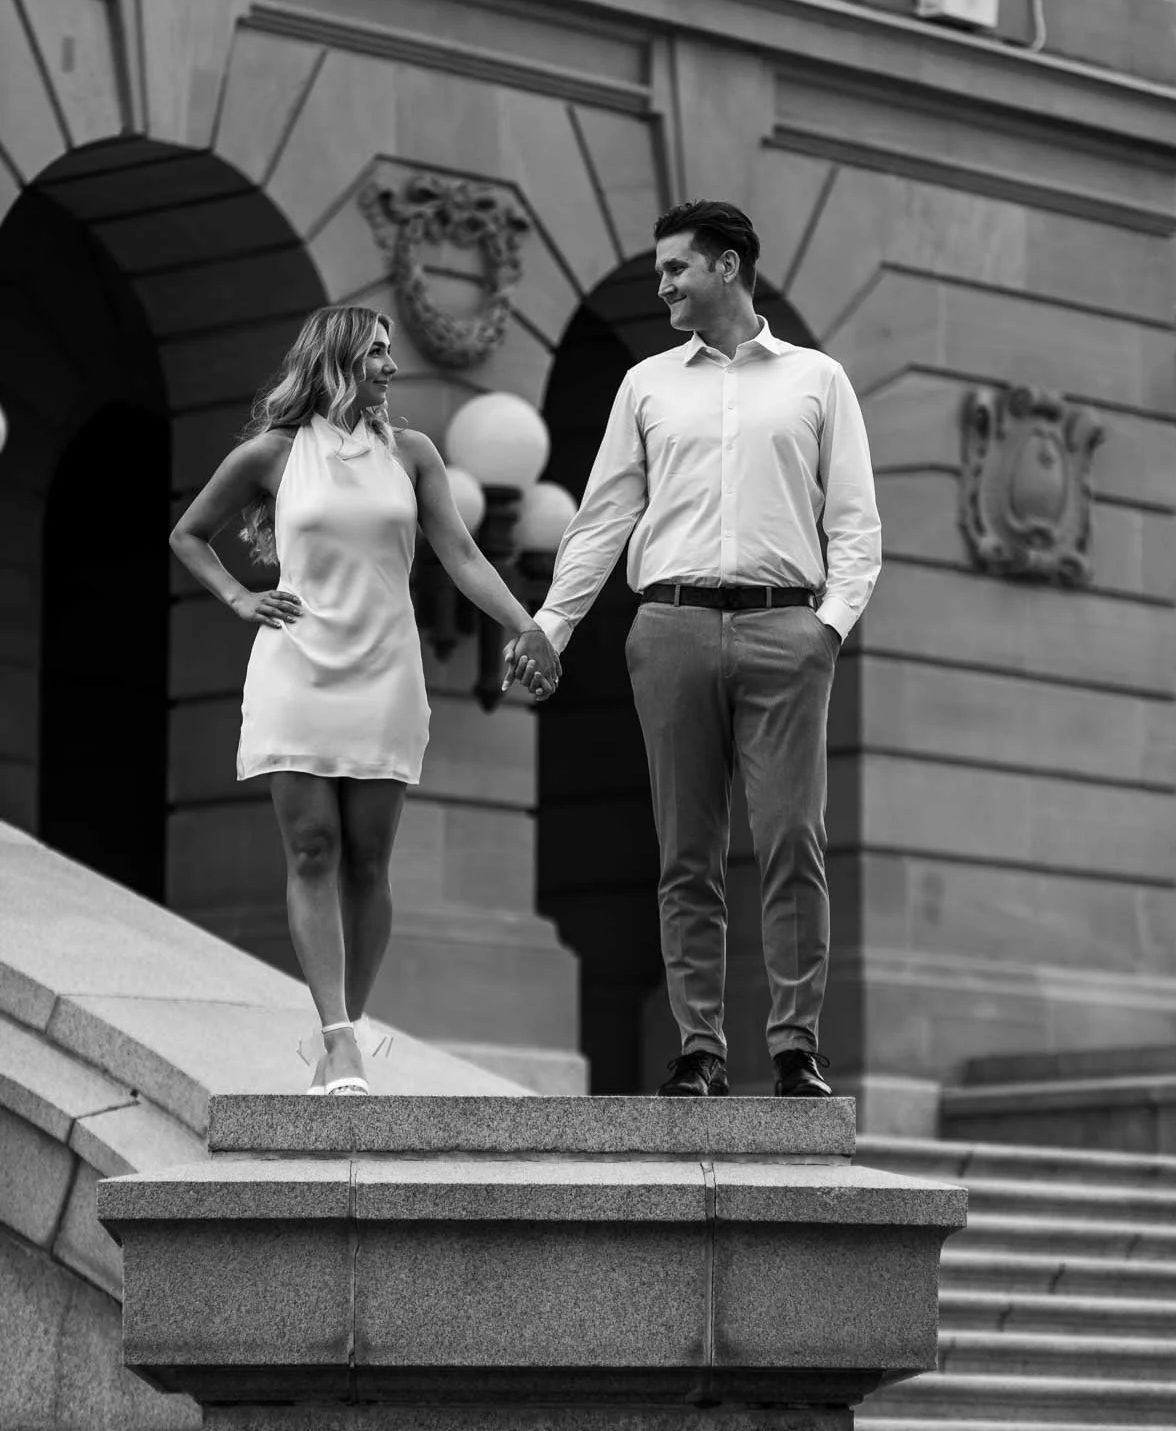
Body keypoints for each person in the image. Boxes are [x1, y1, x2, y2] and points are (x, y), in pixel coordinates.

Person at [521, 200, 881, 1098]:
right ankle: (700, 1049)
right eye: (659, 274)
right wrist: (552, 624)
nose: (663, 286)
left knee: (793, 839)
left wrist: (824, 629)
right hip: (671, 627)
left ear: (726, 266)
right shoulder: (647, 384)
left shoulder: (817, 380)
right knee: (687, 851)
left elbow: (855, 524)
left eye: (675, 269)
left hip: (785, 627)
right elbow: (604, 515)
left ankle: (795, 1046)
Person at [169, 305, 560, 1095]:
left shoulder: (412, 454)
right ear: (339, 359)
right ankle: (340, 1039)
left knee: (370, 858)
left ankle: (346, 1026)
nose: (390, 366)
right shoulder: (272, 453)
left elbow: (461, 554)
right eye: (377, 353)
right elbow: (188, 533)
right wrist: (237, 599)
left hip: (385, 669)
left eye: (389, 353)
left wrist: (529, 626)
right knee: (312, 846)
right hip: (296, 665)